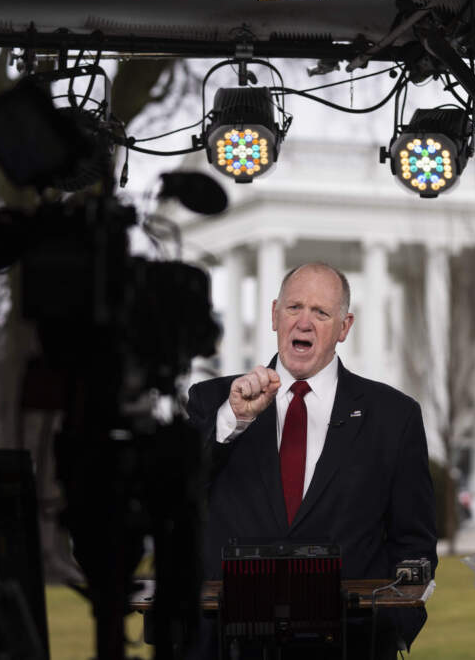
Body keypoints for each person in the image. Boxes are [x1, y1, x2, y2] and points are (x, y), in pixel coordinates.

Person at [187, 262, 438, 658]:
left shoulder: (394, 416)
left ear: (344, 327)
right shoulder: (211, 401)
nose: (304, 323)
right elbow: (178, 495)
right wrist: (233, 420)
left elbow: (414, 543)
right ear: (273, 315)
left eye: (321, 312)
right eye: (294, 308)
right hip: (225, 646)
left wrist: (390, 631)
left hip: (351, 646)